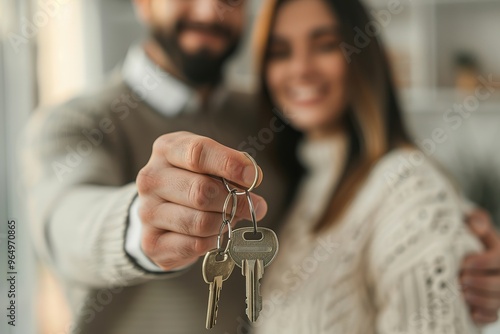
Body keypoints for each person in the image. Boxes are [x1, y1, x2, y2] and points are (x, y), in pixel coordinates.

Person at [19, 0, 500, 333]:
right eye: (281, 52)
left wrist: (457, 241)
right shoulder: (74, 123)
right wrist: (139, 224)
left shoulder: (272, 121)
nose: (210, 10)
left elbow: (390, 196)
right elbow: (63, 217)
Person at [248, 0, 499, 332]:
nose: (301, 69)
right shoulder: (302, 186)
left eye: (325, 45)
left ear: (362, 57)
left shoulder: (408, 185)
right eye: (280, 52)